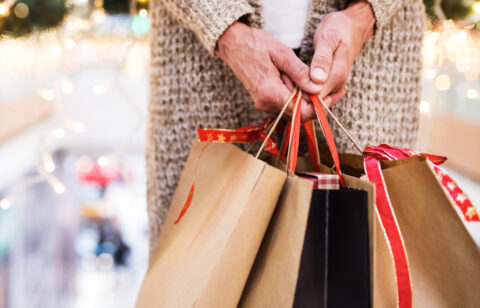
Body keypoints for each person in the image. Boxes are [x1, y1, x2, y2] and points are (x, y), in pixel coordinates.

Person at [147, 0, 425, 249]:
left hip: (369, 59)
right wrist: (222, 28)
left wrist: (364, 16)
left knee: (357, 264)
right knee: (201, 265)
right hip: (203, 63)